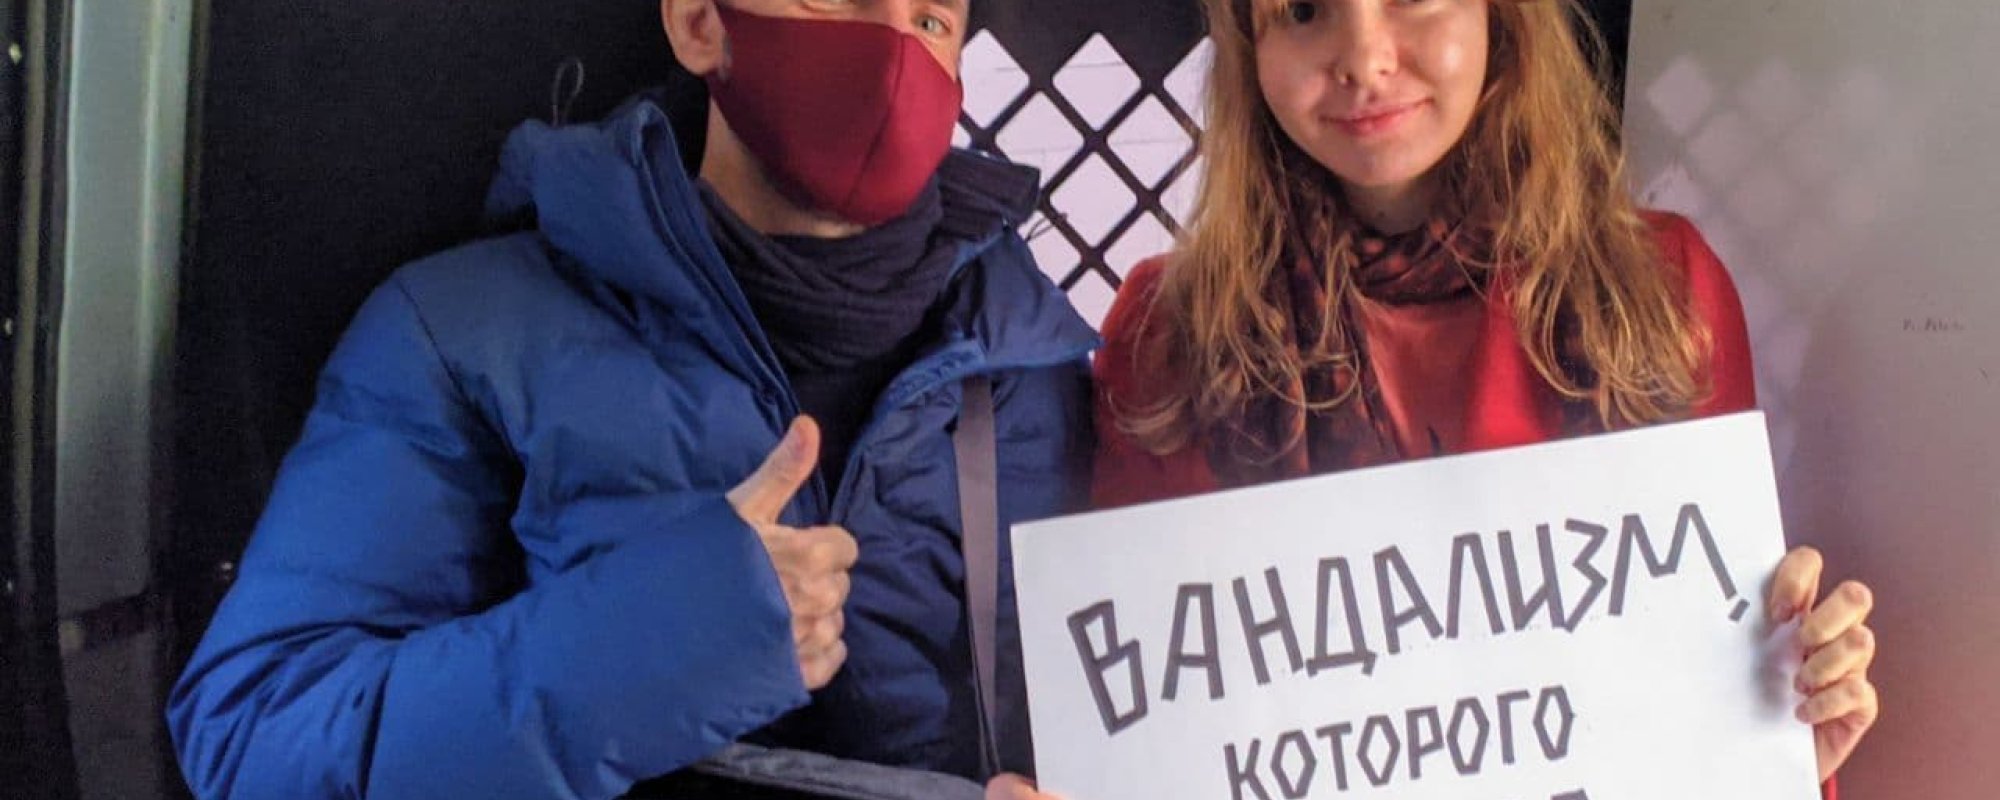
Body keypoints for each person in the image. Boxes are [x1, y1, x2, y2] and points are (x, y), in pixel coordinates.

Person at [167, 1, 1096, 798]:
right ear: (700, 25)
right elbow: (254, 736)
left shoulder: (1034, 360)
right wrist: (654, 647)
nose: (893, 50)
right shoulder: (461, 333)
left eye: (931, 19)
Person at [989, 0, 1877, 797]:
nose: (1364, 57)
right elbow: (1160, 730)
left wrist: (1780, 736)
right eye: (1303, 10)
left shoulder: (1658, 291)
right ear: (1248, 46)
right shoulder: (1172, 332)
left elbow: (1698, 705)